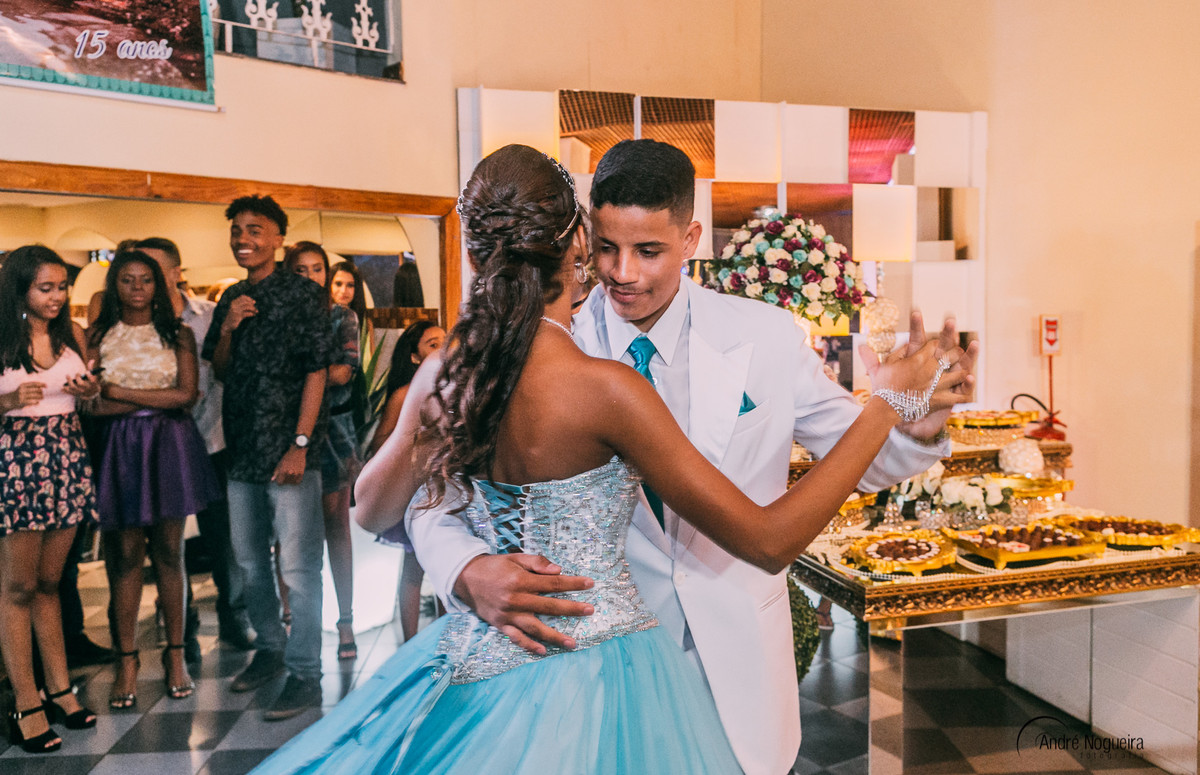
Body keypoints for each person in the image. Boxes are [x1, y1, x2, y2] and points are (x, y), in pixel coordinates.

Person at [252, 144, 968, 774]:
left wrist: (912, 419)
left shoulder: (769, 336)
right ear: (577, 241)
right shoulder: (572, 367)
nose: (623, 273)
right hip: (591, 674)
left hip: (739, 673)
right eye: (606, 248)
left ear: (690, 237)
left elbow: (859, 452)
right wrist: (464, 569)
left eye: (649, 251)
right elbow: (437, 499)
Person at [202, 195, 334, 721]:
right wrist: (230, 325)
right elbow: (221, 369)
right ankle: (270, 651)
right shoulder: (231, 297)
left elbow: (317, 370)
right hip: (243, 454)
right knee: (252, 564)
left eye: (254, 230)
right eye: (237, 230)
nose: (243, 239)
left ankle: (305, 674)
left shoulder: (304, 295)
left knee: (299, 569)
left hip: (290, 453)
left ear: (278, 237)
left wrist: (300, 445)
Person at [87, 249, 221, 708]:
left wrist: (118, 392)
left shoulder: (179, 333)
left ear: (159, 286)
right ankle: (127, 660)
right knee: (123, 557)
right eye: (127, 280)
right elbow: (91, 405)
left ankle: (176, 655)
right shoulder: (98, 334)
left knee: (169, 551)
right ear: (115, 286)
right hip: (118, 448)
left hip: (169, 445)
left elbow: (186, 395)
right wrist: (149, 400)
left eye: (146, 280)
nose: (138, 288)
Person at [0, 246, 101, 753]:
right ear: (20, 288)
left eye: (63, 286)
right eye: (46, 287)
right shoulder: (2, 337)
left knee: (50, 582)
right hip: (17, 462)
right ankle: (25, 700)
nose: (58, 297)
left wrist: (90, 390)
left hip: (65, 455)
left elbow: (88, 396)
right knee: (17, 587)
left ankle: (59, 687)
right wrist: (6, 402)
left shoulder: (71, 334)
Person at [134, 237, 253, 656]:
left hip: (213, 437)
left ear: (174, 272)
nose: (143, 279)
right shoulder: (137, 324)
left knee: (226, 537)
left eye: (153, 269)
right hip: (163, 445)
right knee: (167, 541)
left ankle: (234, 617)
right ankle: (179, 622)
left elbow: (228, 372)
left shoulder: (206, 316)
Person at [283, 241, 361, 660]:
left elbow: (345, 371)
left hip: (334, 431)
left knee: (337, 527)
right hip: (284, 433)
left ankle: (345, 620)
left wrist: (296, 377)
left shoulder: (340, 316)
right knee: (291, 534)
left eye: (318, 270)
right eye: (301, 270)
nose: (311, 278)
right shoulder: (277, 317)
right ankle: (293, 620)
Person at [366, 319, 445, 640]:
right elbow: (379, 443)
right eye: (432, 345)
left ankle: (446, 634)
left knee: (445, 567)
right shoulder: (403, 394)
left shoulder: (452, 387)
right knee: (414, 568)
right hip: (417, 489)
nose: (443, 350)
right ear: (414, 357)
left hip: (445, 485)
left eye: (445, 341)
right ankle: (410, 642)